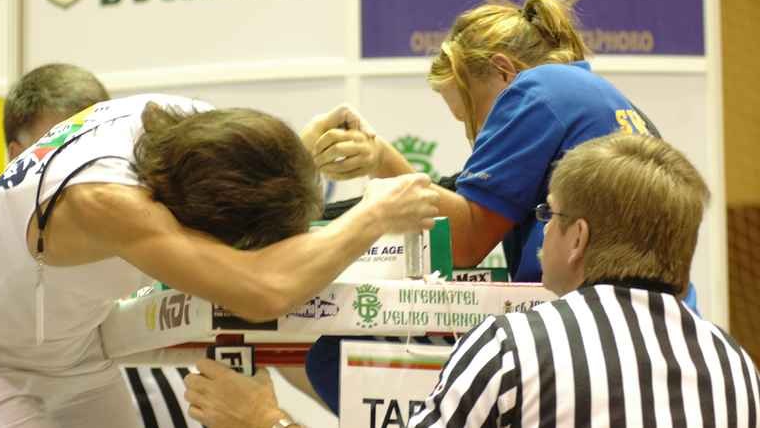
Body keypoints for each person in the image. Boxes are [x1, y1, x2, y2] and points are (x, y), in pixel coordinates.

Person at [184, 133, 760, 428]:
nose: (540, 234)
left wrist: (266, 420)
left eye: (548, 216)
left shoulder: (515, 346)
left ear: (578, 239)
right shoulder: (734, 367)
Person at [0, 88, 439, 426]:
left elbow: (250, 176)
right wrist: (374, 214)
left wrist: (300, 154)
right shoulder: (106, 202)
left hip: (74, 352)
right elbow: (263, 291)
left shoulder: (184, 127)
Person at [301, 0, 677, 413]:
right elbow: (464, 212)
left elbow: (461, 241)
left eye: (472, 113)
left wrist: (380, 163)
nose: (475, 131)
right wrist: (382, 161)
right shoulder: (604, 101)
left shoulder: (537, 89)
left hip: (580, 331)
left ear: (503, 71)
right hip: (645, 327)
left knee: (332, 355)